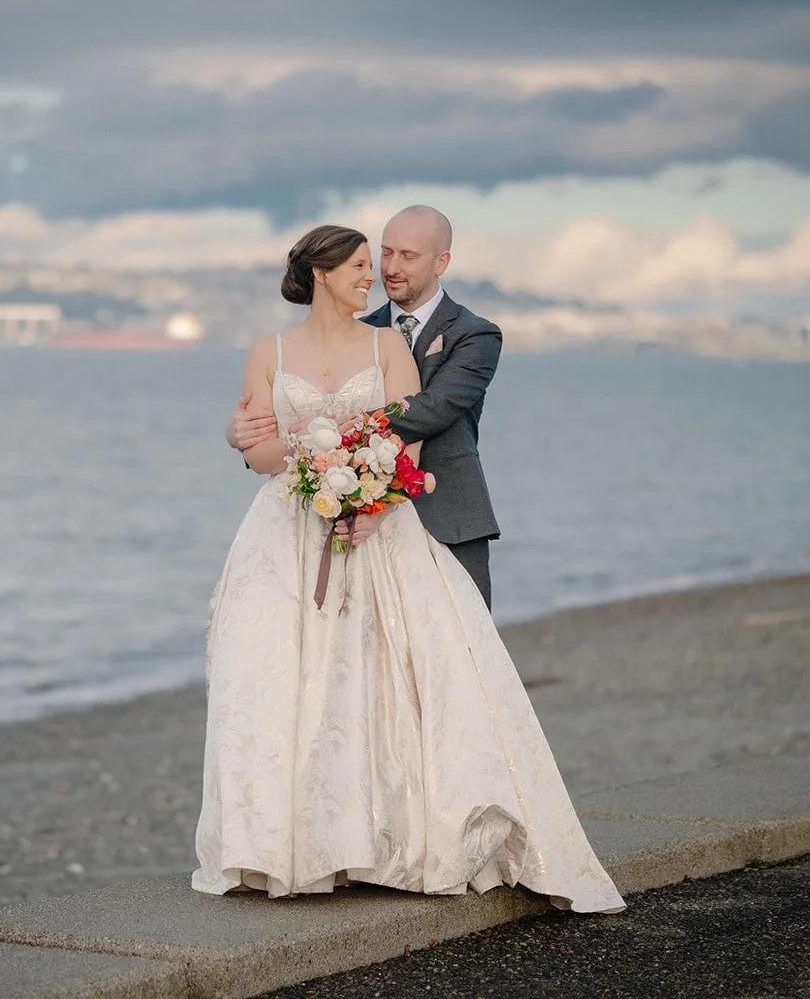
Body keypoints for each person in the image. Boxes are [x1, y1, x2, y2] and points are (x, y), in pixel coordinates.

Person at [193, 224, 623, 912]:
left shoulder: (398, 343)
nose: (376, 273)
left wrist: (362, 491)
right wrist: (272, 448)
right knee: (281, 684)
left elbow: (412, 440)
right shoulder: (267, 351)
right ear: (323, 272)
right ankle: (295, 846)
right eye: (365, 262)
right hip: (285, 533)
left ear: (437, 261)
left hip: (383, 524)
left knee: (394, 682)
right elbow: (261, 449)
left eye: (388, 259)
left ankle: (397, 837)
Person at [228, 205, 502, 608]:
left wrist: (332, 430)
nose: (390, 267)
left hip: (448, 514)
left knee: (459, 654)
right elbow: (275, 420)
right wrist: (240, 434)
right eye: (386, 252)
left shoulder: (475, 334)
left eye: (408, 256)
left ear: (441, 262)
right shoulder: (359, 328)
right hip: (347, 517)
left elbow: (435, 407)